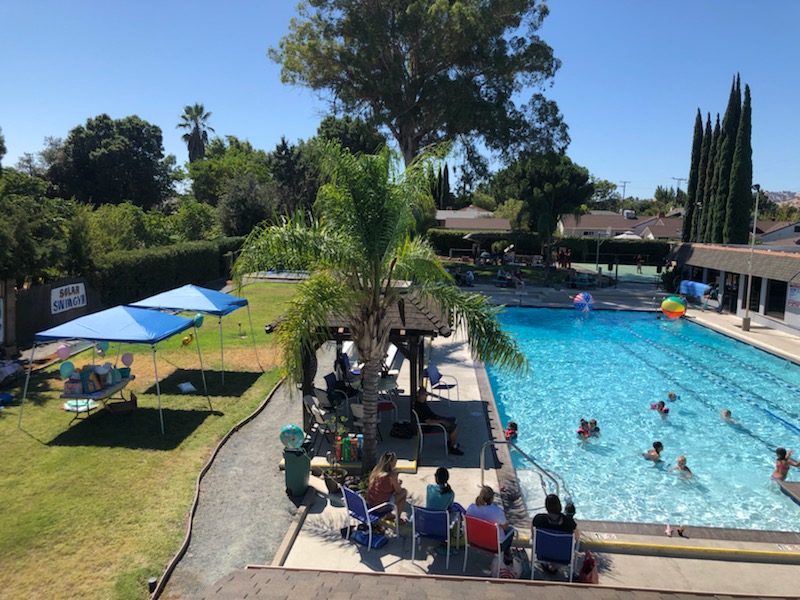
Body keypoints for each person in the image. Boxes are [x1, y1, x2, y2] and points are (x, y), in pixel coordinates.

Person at [532, 494, 579, 573]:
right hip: (564, 557)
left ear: (546, 506)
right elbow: (577, 539)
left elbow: (533, 536)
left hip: (543, 554)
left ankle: (550, 564)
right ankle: (555, 566)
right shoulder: (569, 522)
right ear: (559, 505)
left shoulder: (538, 519)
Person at [414, 387, 463, 455]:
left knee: (453, 420)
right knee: (454, 426)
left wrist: (441, 418)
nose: (426, 396)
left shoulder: (422, 403)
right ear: (421, 395)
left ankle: (451, 441)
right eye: (426, 395)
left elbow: (431, 414)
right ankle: (453, 447)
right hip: (429, 427)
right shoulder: (420, 407)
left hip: (434, 421)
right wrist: (442, 421)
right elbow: (429, 422)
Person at [466, 486, 515, 554]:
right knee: (511, 530)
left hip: (474, 541)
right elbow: (506, 528)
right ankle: (507, 555)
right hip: (494, 547)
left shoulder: (471, 508)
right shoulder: (497, 512)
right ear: (492, 499)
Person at [367, 451, 408, 520]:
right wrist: (398, 484)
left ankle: (388, 515)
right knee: (404, 492)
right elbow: (398, 491)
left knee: (384, 494)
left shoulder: (376, 472)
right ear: (392, 462)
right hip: (381, 507)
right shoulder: (391, 475)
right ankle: (398, 519)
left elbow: (383, 488)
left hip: (371, 504)